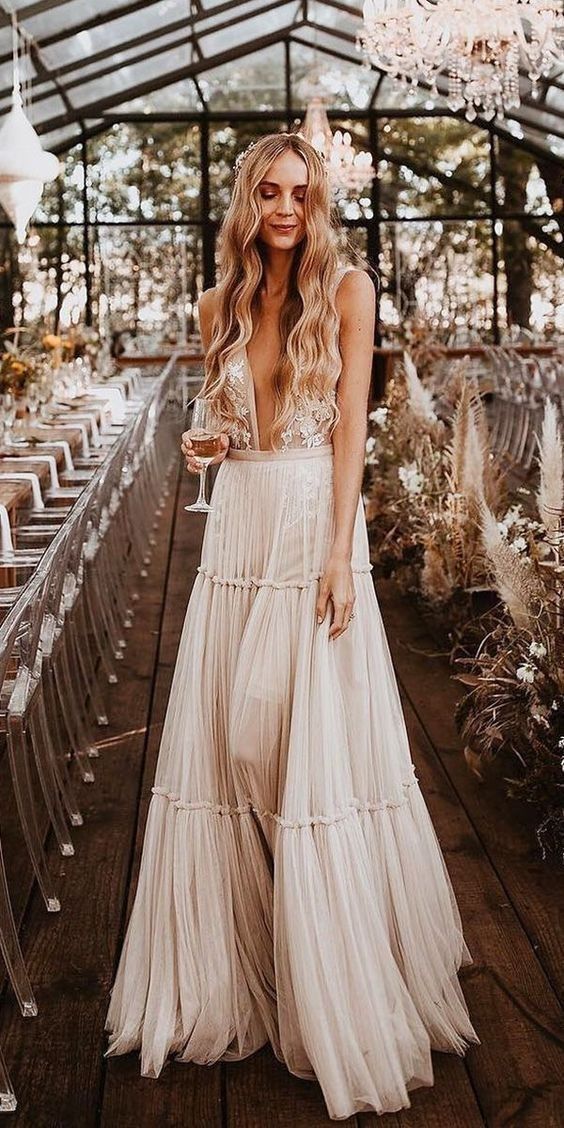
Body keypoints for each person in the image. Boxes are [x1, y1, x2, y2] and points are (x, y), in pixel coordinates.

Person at [105, 132, 480, 1120]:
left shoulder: (347, 290)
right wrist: (204, 442)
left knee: (298, 751)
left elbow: (352, 422)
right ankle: (251, 961)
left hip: (314, 529)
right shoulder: (216, 303)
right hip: (237, 532)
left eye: (298, 193)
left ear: (316, 203)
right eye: (268, 191)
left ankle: (335, 971)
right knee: (235, 746)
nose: (282, 206)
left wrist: (338, 554)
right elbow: (219, 428)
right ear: (247, 201)